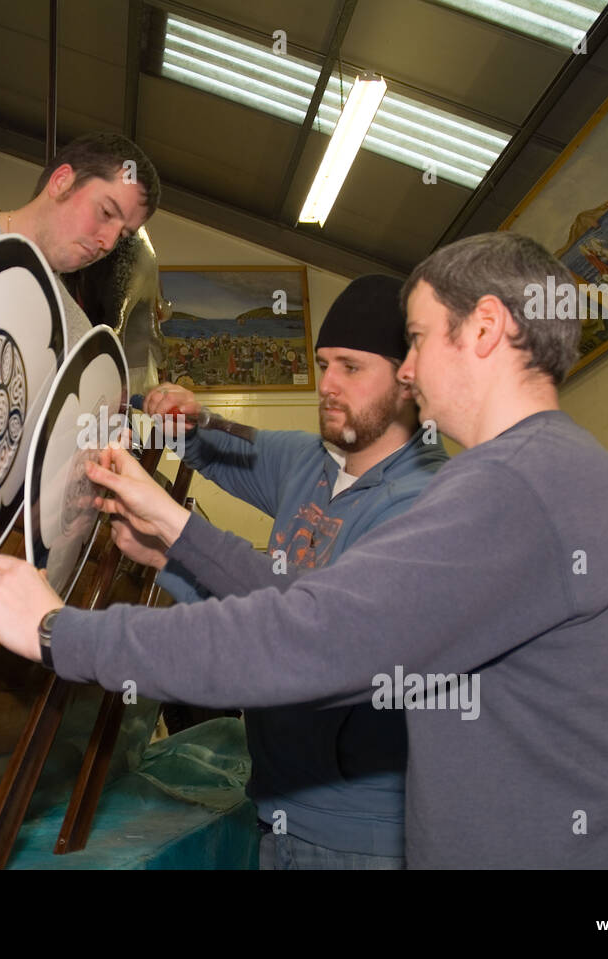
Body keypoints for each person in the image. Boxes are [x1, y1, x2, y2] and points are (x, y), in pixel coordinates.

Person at [0, 231, 608, 868]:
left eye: (415, 338)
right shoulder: (566, 466)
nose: (408, 369)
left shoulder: (511, 482)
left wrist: (59, 631)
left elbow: (310, 636)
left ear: (484, 329)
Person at [128, 275, 446, 869]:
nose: (326, 385)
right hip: (274, 808)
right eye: (322, 364)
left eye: (350, 367)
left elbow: (310, 634)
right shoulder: (308, 462)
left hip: (366, 838)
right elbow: (208, 440)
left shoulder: (428, 502)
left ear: (409, 378)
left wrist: (176, 533)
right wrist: (180, 412)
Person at [0, 132, 160, 349]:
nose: (109, 243)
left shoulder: (74, 334)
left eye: (122, 235)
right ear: (61, 182)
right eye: (106, 212)